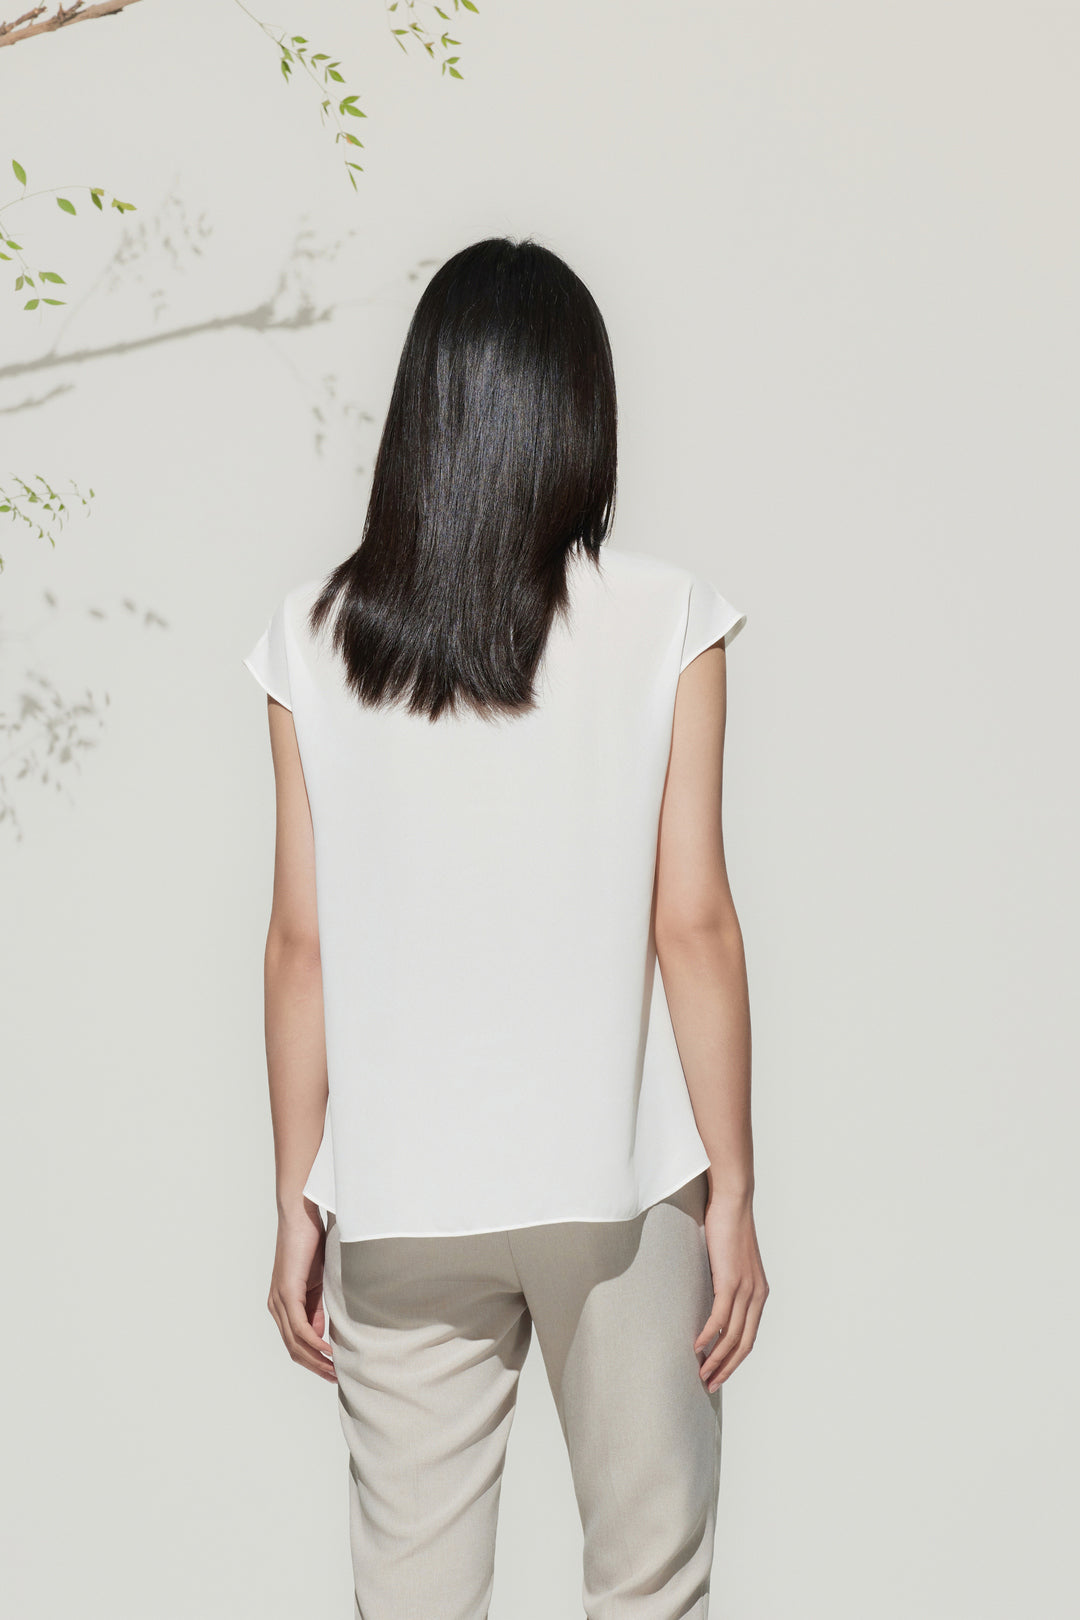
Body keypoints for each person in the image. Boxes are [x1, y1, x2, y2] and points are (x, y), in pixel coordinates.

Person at [242, 236, 768, 1620]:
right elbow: (695, 925)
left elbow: (299, 944)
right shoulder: (666, 617)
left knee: (410, 1602)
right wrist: (735, 1190)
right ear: (581, 412)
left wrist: (299, 1191)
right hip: (622, 1184)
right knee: (650, 1586)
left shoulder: (315, 633)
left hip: (402, 1190)